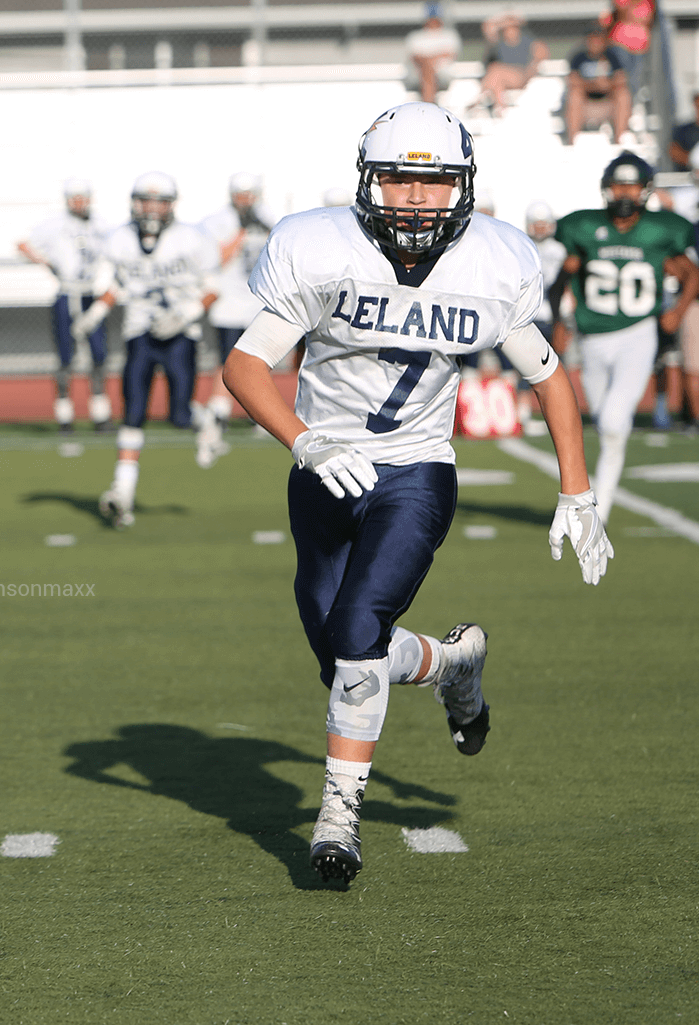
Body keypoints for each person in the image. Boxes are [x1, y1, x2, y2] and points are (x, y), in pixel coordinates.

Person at [221, 101, 613, 887]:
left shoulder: (491, 261)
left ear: (463, 185)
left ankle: (337, 820)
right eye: (399, 178)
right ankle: (453, 663)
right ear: (368, 179)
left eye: (433, 183)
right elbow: (243, 365)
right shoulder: (320, 247)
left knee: (358, 630)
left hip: (415, 470)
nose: (415, 198)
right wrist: (305, 440)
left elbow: (548, 377)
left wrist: (577, 490)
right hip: (324, 469)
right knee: (342, 656)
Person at [555, 152, 698, 520]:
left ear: (645, 189)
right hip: (592, 337)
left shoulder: (662, 229)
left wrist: (677, 311)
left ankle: (598, 512)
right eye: (619, 185)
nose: (624, 193)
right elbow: (564, 274)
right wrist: (560, 321)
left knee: (614, 423)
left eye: (631, 185)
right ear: (607, 187)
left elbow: (691, 273)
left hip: (638, 332)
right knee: (604, 421)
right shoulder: (583, 225)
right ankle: (594, 504)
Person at [92, 172, 219, 528]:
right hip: (140, 333)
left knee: (180, 416)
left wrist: (184, 315)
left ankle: (205, 421)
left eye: (158, 201)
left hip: (181, 335)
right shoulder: (120, 238)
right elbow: (116, 284)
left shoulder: (192, 238)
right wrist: (97, 311)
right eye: (144, 200)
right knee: (133, 412)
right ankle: (122, 492)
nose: (150, 208)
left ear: (171, 205)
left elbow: (213, 288)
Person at [19, 178, 112, 433]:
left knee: (99, 356)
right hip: (66, 294)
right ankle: (64, 415)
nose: (79, 203)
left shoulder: (100, 223)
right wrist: (47, 262)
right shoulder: (55, 223)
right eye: (75, 198)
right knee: (65, 358)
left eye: (82, 198)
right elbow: (23, 244)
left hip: (90, 294)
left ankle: (100, 414)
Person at [197, 171, 276, 465]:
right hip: (229, 305)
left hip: (258, 302)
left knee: (261, 361)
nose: (245, 201)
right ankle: (217, 416)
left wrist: (268, 230)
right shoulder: (218, 221)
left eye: (249, 195)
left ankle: (260, 414)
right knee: (226, 362)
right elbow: (215, 259)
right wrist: (242, 231)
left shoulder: (269, 217)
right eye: (241, 196)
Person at [565, 29, 630, 143]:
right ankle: (572, 142)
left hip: (608, 101)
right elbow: (573, 81)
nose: (596, 44)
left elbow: (621, 79)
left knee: (623, 95)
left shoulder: (612, 57)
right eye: (593, 40)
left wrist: (608, 84)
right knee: (574, 95)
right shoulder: (578, 58)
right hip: (586, 102)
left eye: (598, 40)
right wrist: (594, 84)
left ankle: (620, 141)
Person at [476, 13, 546, 117]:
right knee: (496, 78)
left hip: (521, 75)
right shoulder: (500, 44)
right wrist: (499, 22)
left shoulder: (528, 42)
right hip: (502, 78)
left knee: (495, 69)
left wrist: (530, 72)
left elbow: (542, 53)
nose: (509, 31)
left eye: (512, 27)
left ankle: (481, 99)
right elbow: (488, 28)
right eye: (506, 28)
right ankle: (499, 107)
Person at [604, 0, 654, 95]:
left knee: (635, 77)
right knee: (621, 75)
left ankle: (632, 101)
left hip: (640, 46)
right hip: (620, 43)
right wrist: (635, 14)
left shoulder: (648, 0)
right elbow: (623, 14)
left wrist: (633, 15)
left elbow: (648, 19)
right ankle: (620, 99)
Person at [404, 6, 459, 105]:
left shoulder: (449, 35)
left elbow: (450, 55)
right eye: (431, 18)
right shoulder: (415, 37)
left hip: (443, 76)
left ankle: (427, 105)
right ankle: (430, 104)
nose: (433, 21)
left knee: (428, 70)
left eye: (435, 18)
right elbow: (416, 58)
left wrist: (429, 60)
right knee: (427, 70)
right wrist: (433, 59)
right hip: (418, 76)